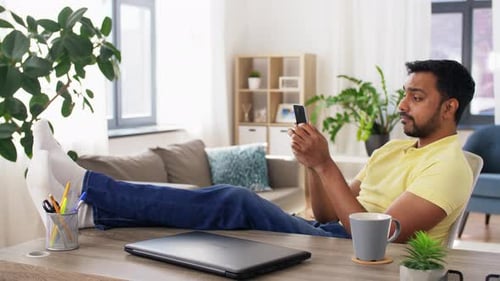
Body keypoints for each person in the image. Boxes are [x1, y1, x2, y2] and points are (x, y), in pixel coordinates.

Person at [26, 59, 475, 244]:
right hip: (331, 235)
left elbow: (380, 237)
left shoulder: (450, 167)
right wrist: (312, 169)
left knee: (233, 199)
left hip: (363, 255)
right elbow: (325, 213)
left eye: (416, 97)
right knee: (215, 221)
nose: (401, 104)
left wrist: (326, 163)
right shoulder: (393, 153)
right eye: (405, 94)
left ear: (449, 107)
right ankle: (88, 210)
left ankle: (85, 189)